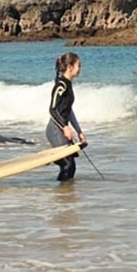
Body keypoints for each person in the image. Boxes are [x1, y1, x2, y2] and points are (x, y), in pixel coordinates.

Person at [46, 51, 87, 182]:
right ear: (70, 67)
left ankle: (65, 197)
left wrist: (79, 131)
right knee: (67, 165)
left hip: (62, 130)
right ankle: (60, 197)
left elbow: (68, 111)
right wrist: (64, 127)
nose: (80, 69)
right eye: (78, 66)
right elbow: (52, 110)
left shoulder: (68, 85)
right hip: (55, 130)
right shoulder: (61, 85)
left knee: (71, 166)